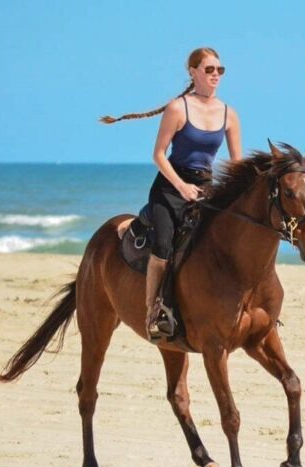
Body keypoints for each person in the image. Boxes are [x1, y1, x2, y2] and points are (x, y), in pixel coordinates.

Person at [100, 47, 242, 342]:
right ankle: (153, 311)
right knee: (163, 248)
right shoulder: (179, 108)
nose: (216, 75)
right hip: (170, 188)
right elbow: (159, 155)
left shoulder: (229, 114)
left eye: (220, 70)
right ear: (193, 72)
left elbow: (237, 164)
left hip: (206, 189)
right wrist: (181, 187)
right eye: (209, 69)